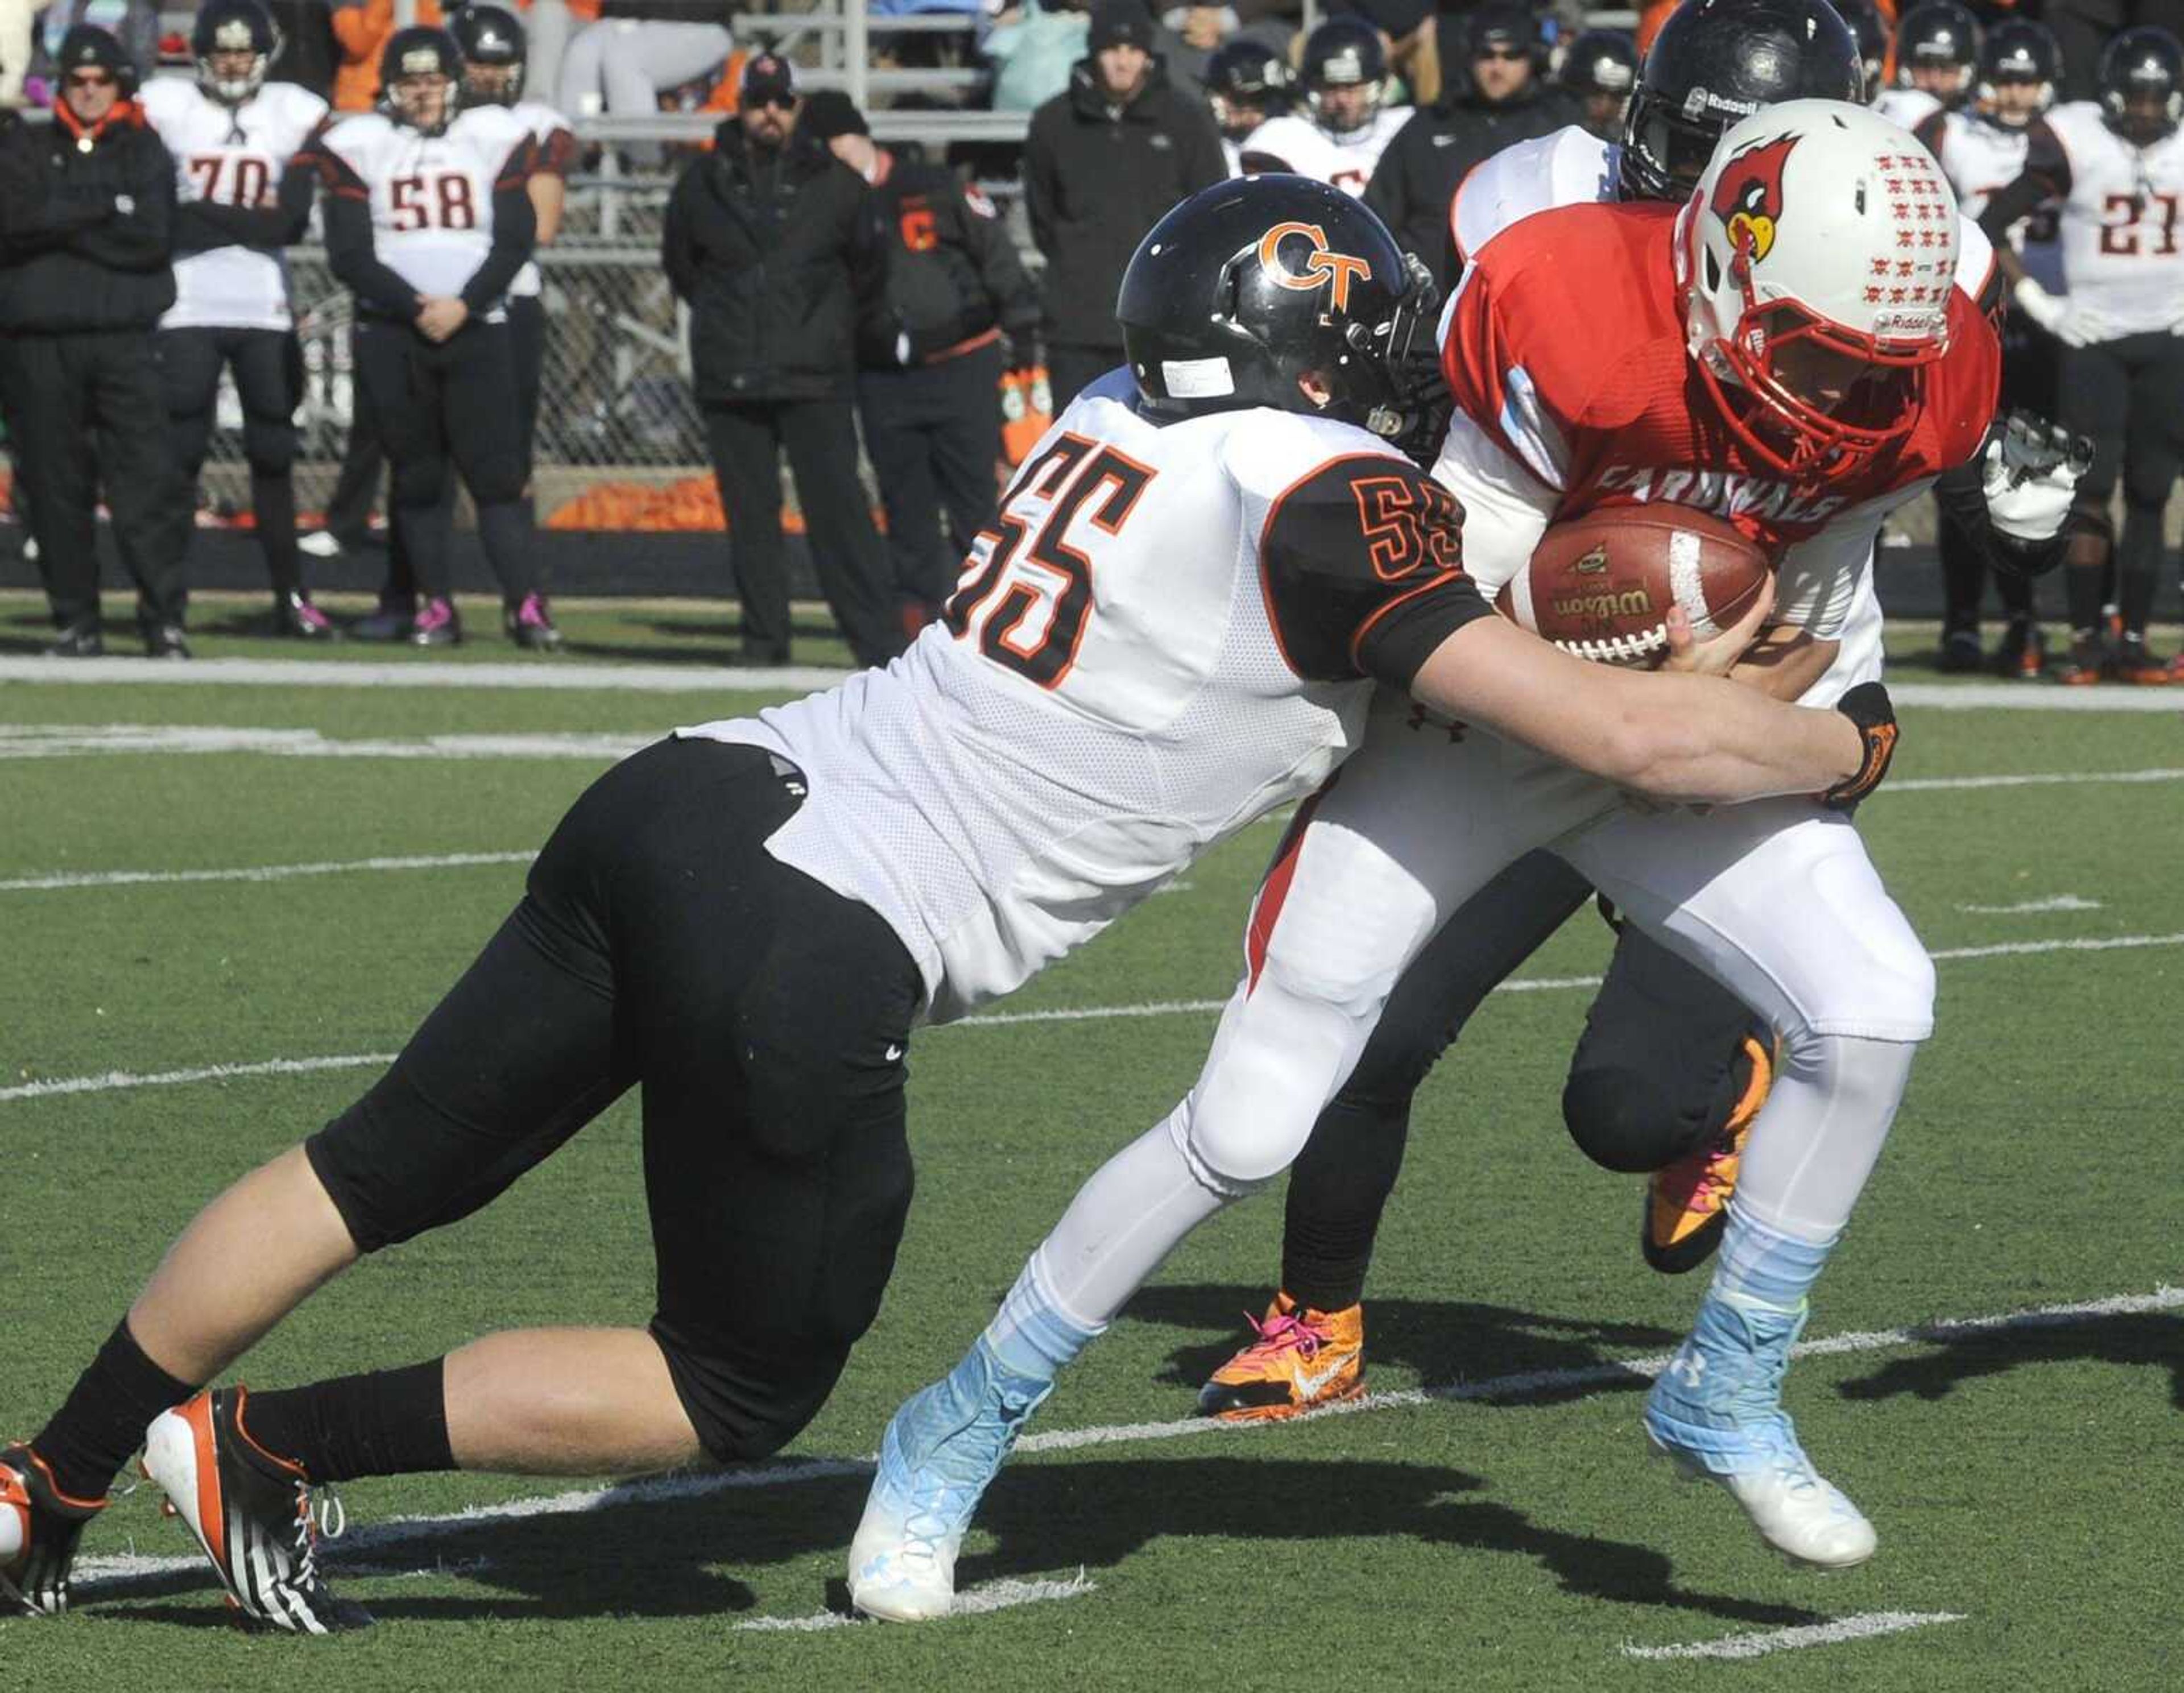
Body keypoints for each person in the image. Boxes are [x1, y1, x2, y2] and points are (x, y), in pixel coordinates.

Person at [0, 173, 1880, 1633]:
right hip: (822, 929)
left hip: (691, 793)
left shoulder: (1110, 411)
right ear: (1326, 346)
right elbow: (1617, 738)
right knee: (731, 1384)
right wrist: (1834, 737)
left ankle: (43, 1477)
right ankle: (267, 1447)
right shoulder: (1339, 500)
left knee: (371, 1163)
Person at [846, 100, 2018, 1622]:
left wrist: (1791, 710)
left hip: (1690, 720)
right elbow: (1441, 613)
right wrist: (1666, 679)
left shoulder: (1934, 382)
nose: (1851, 400)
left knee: (1875, 997)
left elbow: (1817, 640)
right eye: (1818, 359)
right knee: (1253, 1122)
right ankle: (959, 1424)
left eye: (1882, 368)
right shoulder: (1567, 308)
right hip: (1475, 730)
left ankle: (1728, 1384)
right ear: (1721, 280)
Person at [1189, 0, 2079, 1433]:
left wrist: (1988, 515)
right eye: (1684, 150)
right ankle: (1315, 1313)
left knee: (1621, 1112)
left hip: (1737, 711)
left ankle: (1717, 1098)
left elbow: (1872, 546)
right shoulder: (1540, 223)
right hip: (1552, 683)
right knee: (1369, 1022)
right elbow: (1469, 478)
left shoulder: (1902, 265)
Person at [662, 53, 904, 669]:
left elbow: (869, 272)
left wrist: (824, 333)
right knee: (750, 518)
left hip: (815, 374)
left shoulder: (837, 182)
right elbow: (682, 266)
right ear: (739, 106)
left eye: (780, 101)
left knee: (840, 516)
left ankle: (875, 647)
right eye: (757, 101)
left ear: (798, 107)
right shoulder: (701, 181)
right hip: (732, 374)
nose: (769, 113)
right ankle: (764, 641)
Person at [317, 24, 556, 649]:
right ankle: (436, 607)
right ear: (390, 88)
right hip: (395, 329)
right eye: (410, 81)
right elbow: (348, 251)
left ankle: (525, 604)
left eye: (433, 80)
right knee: (417, 478)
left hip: (478, 327)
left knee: (498, 476)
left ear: (453, 83)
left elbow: (514, 238)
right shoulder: (363, 143)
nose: (422, 94)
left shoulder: (492, 137)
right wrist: (416, 304)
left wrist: (465, 305)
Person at [1981, 26, 2184, 684]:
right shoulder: (2076, 137)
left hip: (2169, 338)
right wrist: (2044, 304)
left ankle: (2133, 635)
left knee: (2152, 490)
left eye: (2157, 99)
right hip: (2091, 338)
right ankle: (2086, 637)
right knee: (2091, 492)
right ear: (2111, 95)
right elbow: (1993, 222)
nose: (2147, 111)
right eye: (2137, 97)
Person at [144, 0, 336, 642]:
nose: (232, 62)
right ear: (202, 52)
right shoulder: (168, 105)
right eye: (222, 50)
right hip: (187, 309)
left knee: (275, 459)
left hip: (264, 309)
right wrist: (245, 220)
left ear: (264, 55)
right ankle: (165, 603)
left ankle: (292, 599)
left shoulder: (291, 109)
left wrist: (204, 216)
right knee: (179, 459)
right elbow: (159, 219)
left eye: (242, 51)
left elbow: (290, 223)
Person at [817, 90, 1042, 632]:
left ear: (861, 136)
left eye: (838, 141)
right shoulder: (824, 206)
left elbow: (995, 253)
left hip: (961, 362)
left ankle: (988, 618)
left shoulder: (933, 187)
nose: (833, 155)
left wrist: (1023, 328)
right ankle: (921, 626)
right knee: (906, 507)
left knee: (975, 501)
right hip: (883, 377)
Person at [0, 23, 188, 658]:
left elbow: (153, 239)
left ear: (119, 84)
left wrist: (57, 221)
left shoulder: (144, 149)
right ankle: (76, 620)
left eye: (99, 81)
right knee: (53, 487)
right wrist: (104, 213)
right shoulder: (23, 144)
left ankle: (163, 619)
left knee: (147, 484)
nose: (87, 92)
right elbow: (11, 222)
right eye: (76, 81)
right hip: (39, 343)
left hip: (124, 340)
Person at [1916, 18, 2066, 677]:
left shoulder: (2073, 136)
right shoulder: (1947, 133)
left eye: (2027, 80)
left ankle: (2025, 619)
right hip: (1974, 324)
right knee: (1963, 473)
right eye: (2006, 79)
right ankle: (1962, 621)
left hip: (2055, 328)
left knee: (2040, 479)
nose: (2015, 94)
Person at [1024, 0, 1227, 409]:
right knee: (1080, 433)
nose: (1123, 61)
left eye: (1133, 50)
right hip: (1078, 322)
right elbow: (1042, 213)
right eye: (1112, 49)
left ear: (1148, 55)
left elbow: (1211, 211)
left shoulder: (1186, 119)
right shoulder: (1054, 122)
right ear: (1094, 52)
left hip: (1163, 319)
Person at [1363, 3, 1574, 285]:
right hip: (1429, 308)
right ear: (1469, 56)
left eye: (1511, 55)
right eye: (1486, 55)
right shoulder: (1427, 127)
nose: (1497, 68)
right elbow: (1376, 218)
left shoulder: (1558, 128)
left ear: (1534, 58)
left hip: (1528, 300)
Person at [1239, 14, 1410, 196]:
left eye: (1352, 87)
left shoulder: (1405, 127)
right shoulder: (1284, 136)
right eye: (1330, 88)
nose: (1342, 100)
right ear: (1311, 87)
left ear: (1378, 85)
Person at [1875, 0, 1982, 130]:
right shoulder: (1889, 110)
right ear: (1907, 68)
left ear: (1966, 72)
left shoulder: (1978, 130)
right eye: (1924, 66)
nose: (1934, 80)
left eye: (1946, 69)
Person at [1201, 34, 1296, 174]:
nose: (1219, 103)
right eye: (1239, 99)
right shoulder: (1210, 145)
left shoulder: (1289, 134)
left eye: (1261, 100)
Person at [1560, 27, 1639, 144]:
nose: (1605, 106)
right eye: (1595, 93)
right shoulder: (1543, 132)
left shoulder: (1629, 148)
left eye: (1617, 96)